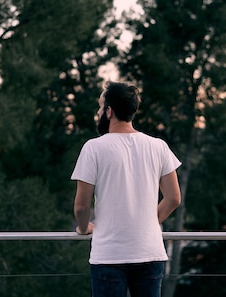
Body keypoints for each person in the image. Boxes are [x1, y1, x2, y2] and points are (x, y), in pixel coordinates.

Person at [71, 81, 182, 297]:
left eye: (100, 106)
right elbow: (173, 198)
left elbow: (81, 206)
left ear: (109, 112)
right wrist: (146, 223)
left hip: (109, 255)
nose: (98, 111)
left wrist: (84, 228)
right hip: (150, 252)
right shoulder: (158, 146)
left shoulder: (93, 148)